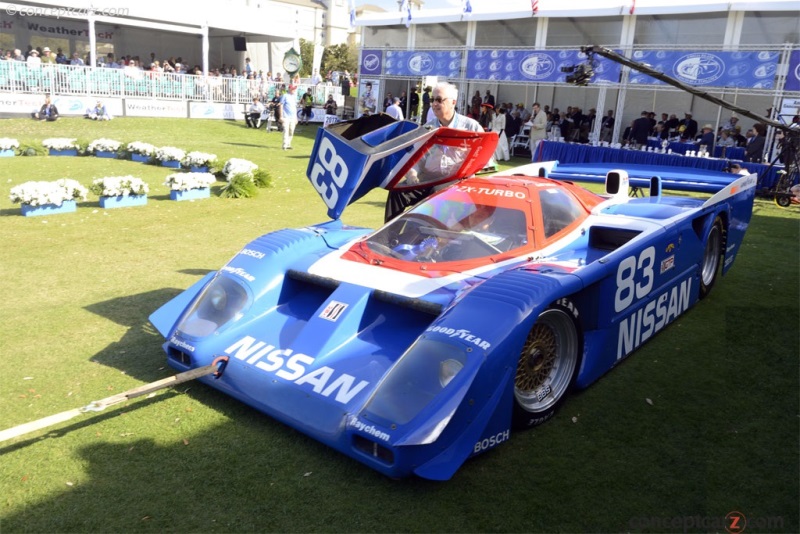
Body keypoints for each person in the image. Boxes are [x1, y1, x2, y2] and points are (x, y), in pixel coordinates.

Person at [384, 82, 483, 222]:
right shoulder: (428, 128)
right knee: (397, 192)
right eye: (432, 100)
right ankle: (387, 238)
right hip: (428, 178)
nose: (434, 104)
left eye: (439, 100)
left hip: (456, 181)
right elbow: (416, 157)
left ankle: (428, 237)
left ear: (453, 102)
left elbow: (483, 158)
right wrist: (412, 172)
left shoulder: (471, 127)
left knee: (436, 193)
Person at [280, 85, 298, 150]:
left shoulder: (294, 97)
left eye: (294, 89)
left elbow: (295, 107)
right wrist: (281, 116)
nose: (294, 90)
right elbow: (281, 105)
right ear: (290, 89)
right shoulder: (284, 96)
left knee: (291, 131)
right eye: (293, 89)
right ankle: (284, 145)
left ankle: (288, 143)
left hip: (293, 117)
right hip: (286, 116)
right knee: (286, 130)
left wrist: (296, 117)